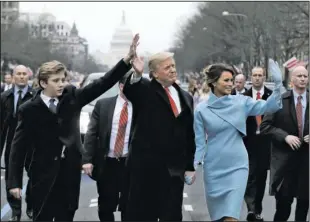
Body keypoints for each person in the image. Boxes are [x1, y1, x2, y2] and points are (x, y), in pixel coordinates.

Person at [7, 34, 140, 221]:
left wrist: (126, 61)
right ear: (44, 83)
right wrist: (14, 182)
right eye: (56, 80)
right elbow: (17, 149)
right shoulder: (28, 109)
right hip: (42, 177)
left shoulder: (72, 97)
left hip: (68, 176)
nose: (62, 84)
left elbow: (101, 84)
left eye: (63, 79)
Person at [193, 59, 283, 221]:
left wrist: (278, 85)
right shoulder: (201, 110)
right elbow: (199, 143)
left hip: (237, 165)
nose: (231, 84)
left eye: (232, 81)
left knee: (231, 216)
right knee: (219, 217)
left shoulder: (242, 102)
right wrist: (192, 166)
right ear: (213, 82)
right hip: (214, 167)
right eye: (226, 80)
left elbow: (269, 107)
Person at [123, 52, 196, 221]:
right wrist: (137, 74)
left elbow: (188, 134)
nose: (172, 70)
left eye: (173, 66)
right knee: (144, 215)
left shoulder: (186, 97)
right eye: (167, 67)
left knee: (172, 216)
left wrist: (189, 165)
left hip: (174, 171)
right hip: (146, 171)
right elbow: (130, 89)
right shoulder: (146, 90)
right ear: (155, 74)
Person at [82, 71, 135, 221]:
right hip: (107, 162)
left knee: (129, 205)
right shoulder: (103, 105)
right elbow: (91, 134)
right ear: (121, 86)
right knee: (105, 204)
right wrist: (87, 160)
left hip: (130, 164)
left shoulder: (140, 108)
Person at [260, 65, 309, 221]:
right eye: (299, 76)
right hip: (285, 163)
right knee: (283, 207)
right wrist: (285, 136)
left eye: (305, 76)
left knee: (303, 207)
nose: (303, 79)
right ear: (292, 80)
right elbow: (265, 126)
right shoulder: (279, 100)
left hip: (306, 163)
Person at [0, 65, 34, 221]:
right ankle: (15, 210)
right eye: (18, 74)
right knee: (12, 176)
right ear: (13, 77)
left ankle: (32, 204)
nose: (21, 76)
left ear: (28, 76)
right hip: (12, 142)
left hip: (32, 143)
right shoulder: (4, 97)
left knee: (34, 174)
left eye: (24, 74)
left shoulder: (35, 96)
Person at [243, 67, 273, 221]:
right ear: (250, 77)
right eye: (254, 75)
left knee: (261, 178)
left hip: (266, 144)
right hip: (248, 144)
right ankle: (251, 209)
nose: (257, 78)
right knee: (250, 176)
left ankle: (257, 210)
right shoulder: (243, 97)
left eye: (260, 75)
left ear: (264, 77)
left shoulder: (271, 96)